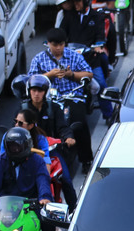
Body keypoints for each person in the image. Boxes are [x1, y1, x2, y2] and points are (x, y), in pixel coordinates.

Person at [28, 29, 96, 172]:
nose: (58, 48)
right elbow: (30, 80)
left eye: (61, 44)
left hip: (71, 96)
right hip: (48, 98)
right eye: (55, 45)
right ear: (48, 44)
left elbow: (89, 74)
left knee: (80, 122)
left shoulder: (73, 56)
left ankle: (86, 159)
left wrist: (71, 74)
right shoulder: (39, 59)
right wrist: (49, 75)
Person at [22, 74, 90, 178]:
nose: (36, 94)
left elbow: (62, 127)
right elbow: (16, 129)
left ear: (46, 92)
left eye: (40, 91)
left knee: (66, 179)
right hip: (29, 151)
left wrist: (69, 137)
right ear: (28, 91)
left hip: (51, 151)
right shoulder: (22, 110)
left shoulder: (54, 108)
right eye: (34, 90)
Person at [57, 0, 116, 119]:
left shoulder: (97, 17)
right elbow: (61, 33)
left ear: (85, 2)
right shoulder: (69, 16)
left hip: (91, 60)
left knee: (101, 84)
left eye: (78, 2)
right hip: (72, 59)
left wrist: (98, 46)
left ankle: (109, 115)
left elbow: (100, 36)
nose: (76, 4)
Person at [13, 107, 79, 208]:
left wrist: (45, 180)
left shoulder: (41, 139)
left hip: (51, 152)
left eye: (20, 123)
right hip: (21, 166)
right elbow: (1, 162)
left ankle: (74, 211)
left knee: (66, 180)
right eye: (15, 122)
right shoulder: (8, 137)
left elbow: (46, 161)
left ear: (31, 125)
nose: (16, 125)